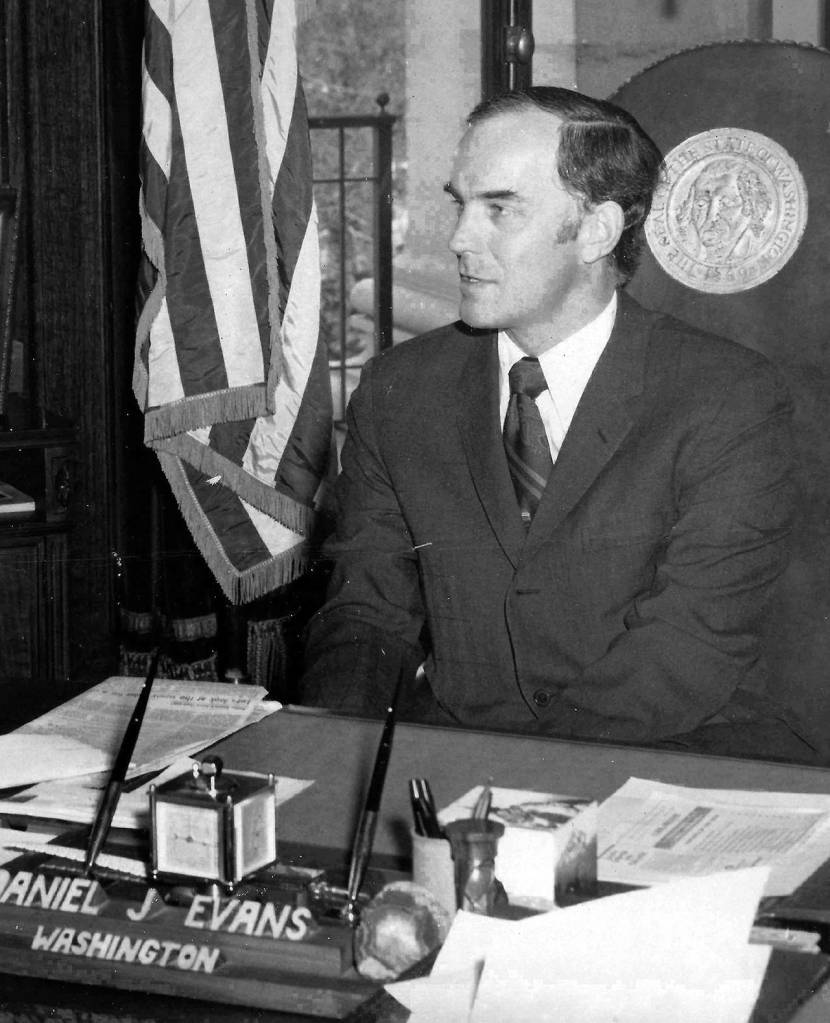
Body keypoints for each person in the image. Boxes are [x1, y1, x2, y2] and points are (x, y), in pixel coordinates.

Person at [302, 86, 814, 760]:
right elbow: (366, 614)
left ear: (597, 230)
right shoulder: (399, 390)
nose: (459, 239)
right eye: (462, 204)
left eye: (500, 209)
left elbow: (690, 641)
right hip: (454, 761)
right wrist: (325, 755)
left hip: (673, 754)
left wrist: (523, 776)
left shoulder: (727, 398)